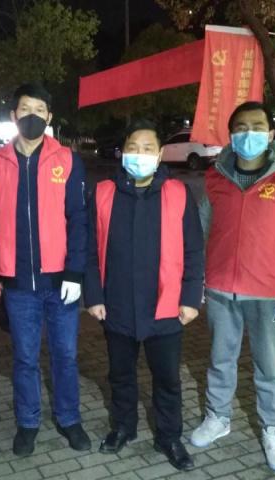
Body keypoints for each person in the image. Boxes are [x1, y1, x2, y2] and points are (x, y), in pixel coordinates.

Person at [190, 102, 275, 472]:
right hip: (220, 290)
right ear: (231, 135)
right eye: (241, 127)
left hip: (269, 295)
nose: (249, 134)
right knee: (220, 360)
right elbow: (200, 232)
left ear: (271, 134)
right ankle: (218, 417)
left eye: (257, 126)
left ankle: (274, 429)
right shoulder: (215, 177)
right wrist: (195, 281)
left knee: (270, 365)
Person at [84, 119, 204, 471]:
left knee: (167, 379)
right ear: (122, 152)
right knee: (120, 375)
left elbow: (194, 249)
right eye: (133, 147)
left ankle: (169, 436)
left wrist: (190, 298)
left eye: (148, 148)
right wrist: (94, 296)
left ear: (160, 153)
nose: (140, 154)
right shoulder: (103, 192)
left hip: (165, 305)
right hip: (117, 304)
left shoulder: (177, 193)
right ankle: (123, 427)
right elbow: (89, 250)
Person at [0, 84, 90, 456]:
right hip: (17, 286)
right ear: (13, 116)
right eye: (25, 108)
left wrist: (75, 272)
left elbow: (79, 219)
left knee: (66, 356)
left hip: (60, 282)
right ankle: (27, 423)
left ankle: (69, 418)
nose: (32, 115)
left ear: (49, 117)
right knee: (25, 358)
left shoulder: (68, 160)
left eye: (40, 109)